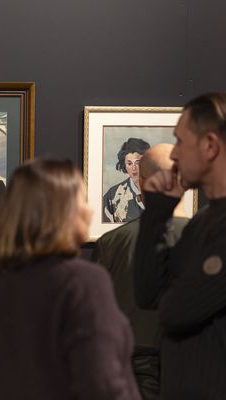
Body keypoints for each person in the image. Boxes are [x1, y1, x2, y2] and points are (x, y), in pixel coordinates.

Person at [0, 159, 140, 399]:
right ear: (61, 211)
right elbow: (103, 384)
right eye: (82, 200)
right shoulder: (83, 281)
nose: (90, 210)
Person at [134, 92, 226, 399]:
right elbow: (148, 294)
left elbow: (175, 312)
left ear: (210, 146)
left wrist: (172, 295)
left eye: (180, 141)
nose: (173, 154)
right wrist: (157, 212)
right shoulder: (202, 221)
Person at [92, 143, 189, 400]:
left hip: (130, 369)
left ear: (143, 184)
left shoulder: (111, 243)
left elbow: (97, 318)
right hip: (192, 364)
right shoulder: (210, 238)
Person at [103, 138, 150, 223]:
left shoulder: (162, 190)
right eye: (129, 163)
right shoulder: (112, 195)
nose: (134, 168)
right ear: (124, 165)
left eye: (138, 162)